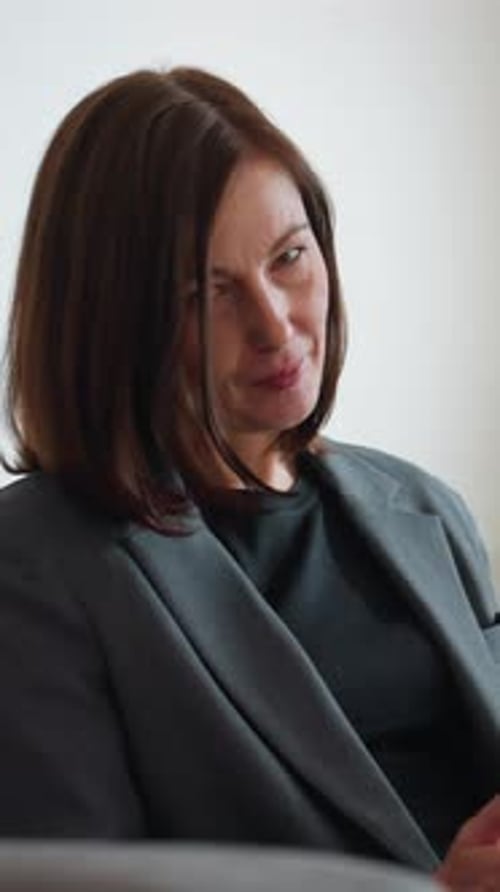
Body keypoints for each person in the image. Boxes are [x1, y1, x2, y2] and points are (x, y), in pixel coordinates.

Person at [1, 66, 500, 891]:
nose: (276, 325)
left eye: (290, 257)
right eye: (206, 292)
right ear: (110, 319)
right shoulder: (36, 566)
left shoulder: (425, 509)